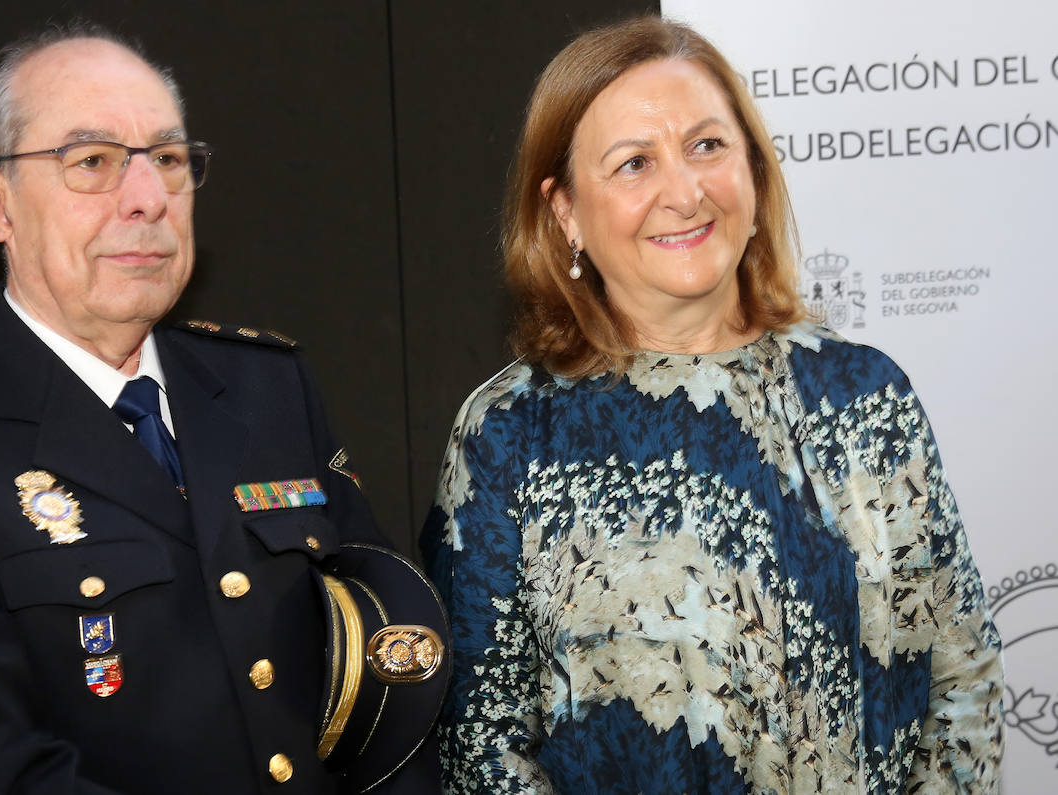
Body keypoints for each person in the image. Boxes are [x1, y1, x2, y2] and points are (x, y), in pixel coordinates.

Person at [0, 23, 446, 795]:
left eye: (170, 161)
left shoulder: (265, 386)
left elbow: (388, 658)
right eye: (92, 162)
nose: (148, 199)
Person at [421, 16, 1003, 794]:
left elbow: (962, 678)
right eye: (634, 163)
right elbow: (480, 743)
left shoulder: (866, 395)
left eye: (707, 146)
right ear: (565, 214)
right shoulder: (510, 432)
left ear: (754, 173)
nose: (684, 191)